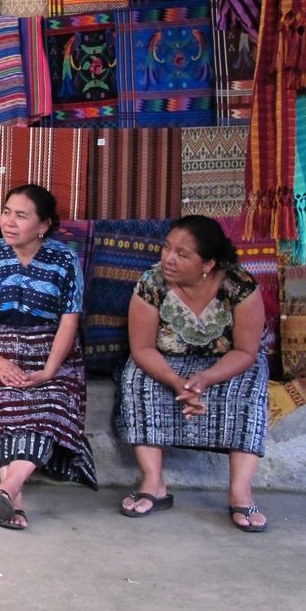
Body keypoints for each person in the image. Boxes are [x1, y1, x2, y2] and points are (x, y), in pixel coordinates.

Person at [115, 215, 269, 532]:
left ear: (208, 264)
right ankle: (153, 482)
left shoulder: (239, 286)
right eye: (167, 248)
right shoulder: (151, 284)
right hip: (165, 361)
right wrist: (176, 382)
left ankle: (241, 492)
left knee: (251, 381)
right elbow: (142, 348)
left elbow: (246, 351)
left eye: (182, 254)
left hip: (226, 363)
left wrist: (205, 379)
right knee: (135, 378)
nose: (168, 258)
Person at [0, 184, 97, 530]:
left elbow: (70, 319)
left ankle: (8, 491)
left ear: (43, 225)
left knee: (49, 407)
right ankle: (11, 495)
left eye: (21, 215)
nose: (9, 221)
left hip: (52, 348)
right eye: (6, 212)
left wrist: (50, 369)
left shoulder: (63, 259)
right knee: (6, 406)